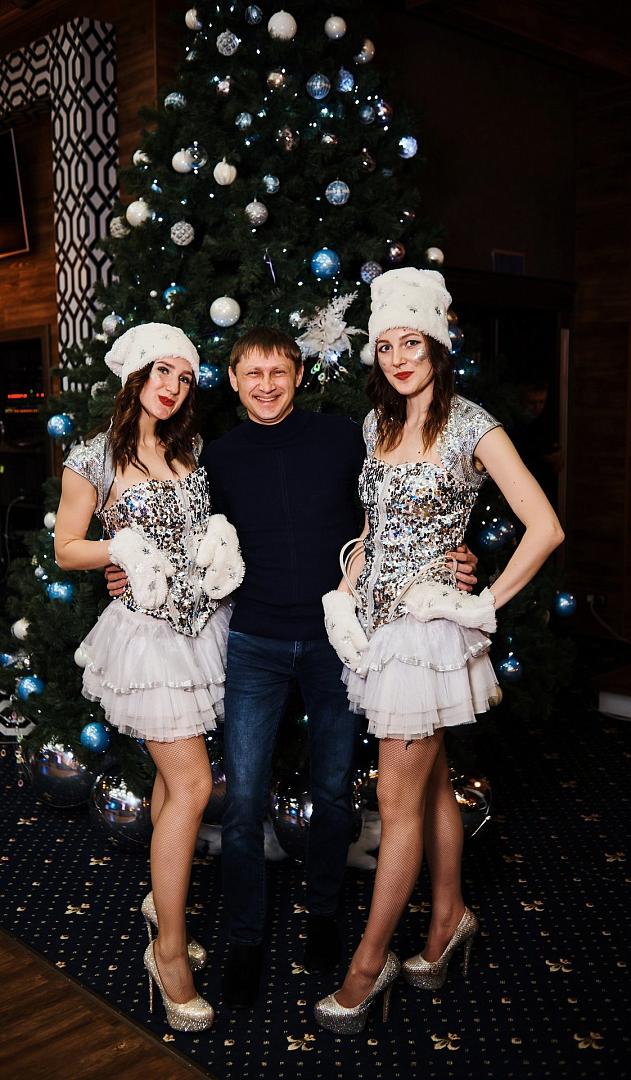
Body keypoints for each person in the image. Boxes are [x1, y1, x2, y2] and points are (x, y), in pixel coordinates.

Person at [105, 325, 478, 1011]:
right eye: (252, 374)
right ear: (233, 380)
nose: (266, 385)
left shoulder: (344, 438)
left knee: (333, 793)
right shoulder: (214, 456)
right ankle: (246, 937)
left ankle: (325, 914)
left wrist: (453, 554)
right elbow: (178, 538)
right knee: (243, 800)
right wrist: (122, 570)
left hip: (337, 641)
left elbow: (395, 514)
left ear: (299, 374)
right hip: (253, 640)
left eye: (278, 372)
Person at [314, 268, 564, 1034]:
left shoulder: (470, 424)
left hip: (424, 635)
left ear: (435, 345)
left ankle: (368, 965)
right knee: (427, 789)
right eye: (385, 345)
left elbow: (544, 527)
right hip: (376, 629)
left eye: (410, 343)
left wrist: (482, 602)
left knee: (395, 804)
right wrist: (346, 584)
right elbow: (376, 529)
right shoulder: (374, 425)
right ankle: (449, 916)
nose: (397, 358)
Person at [54, 323, 244, 1033]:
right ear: (135, 374)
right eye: (162, 372)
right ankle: (167, 953)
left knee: (173, 783)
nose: (172, 387)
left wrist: (215, 552)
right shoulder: (93, 456)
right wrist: (122, 551)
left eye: (184, 378)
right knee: (193, 784)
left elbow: (199, 535)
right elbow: (66, 547)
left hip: (202, 628)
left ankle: (161, 908)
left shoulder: (187, 449)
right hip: (146, 638)